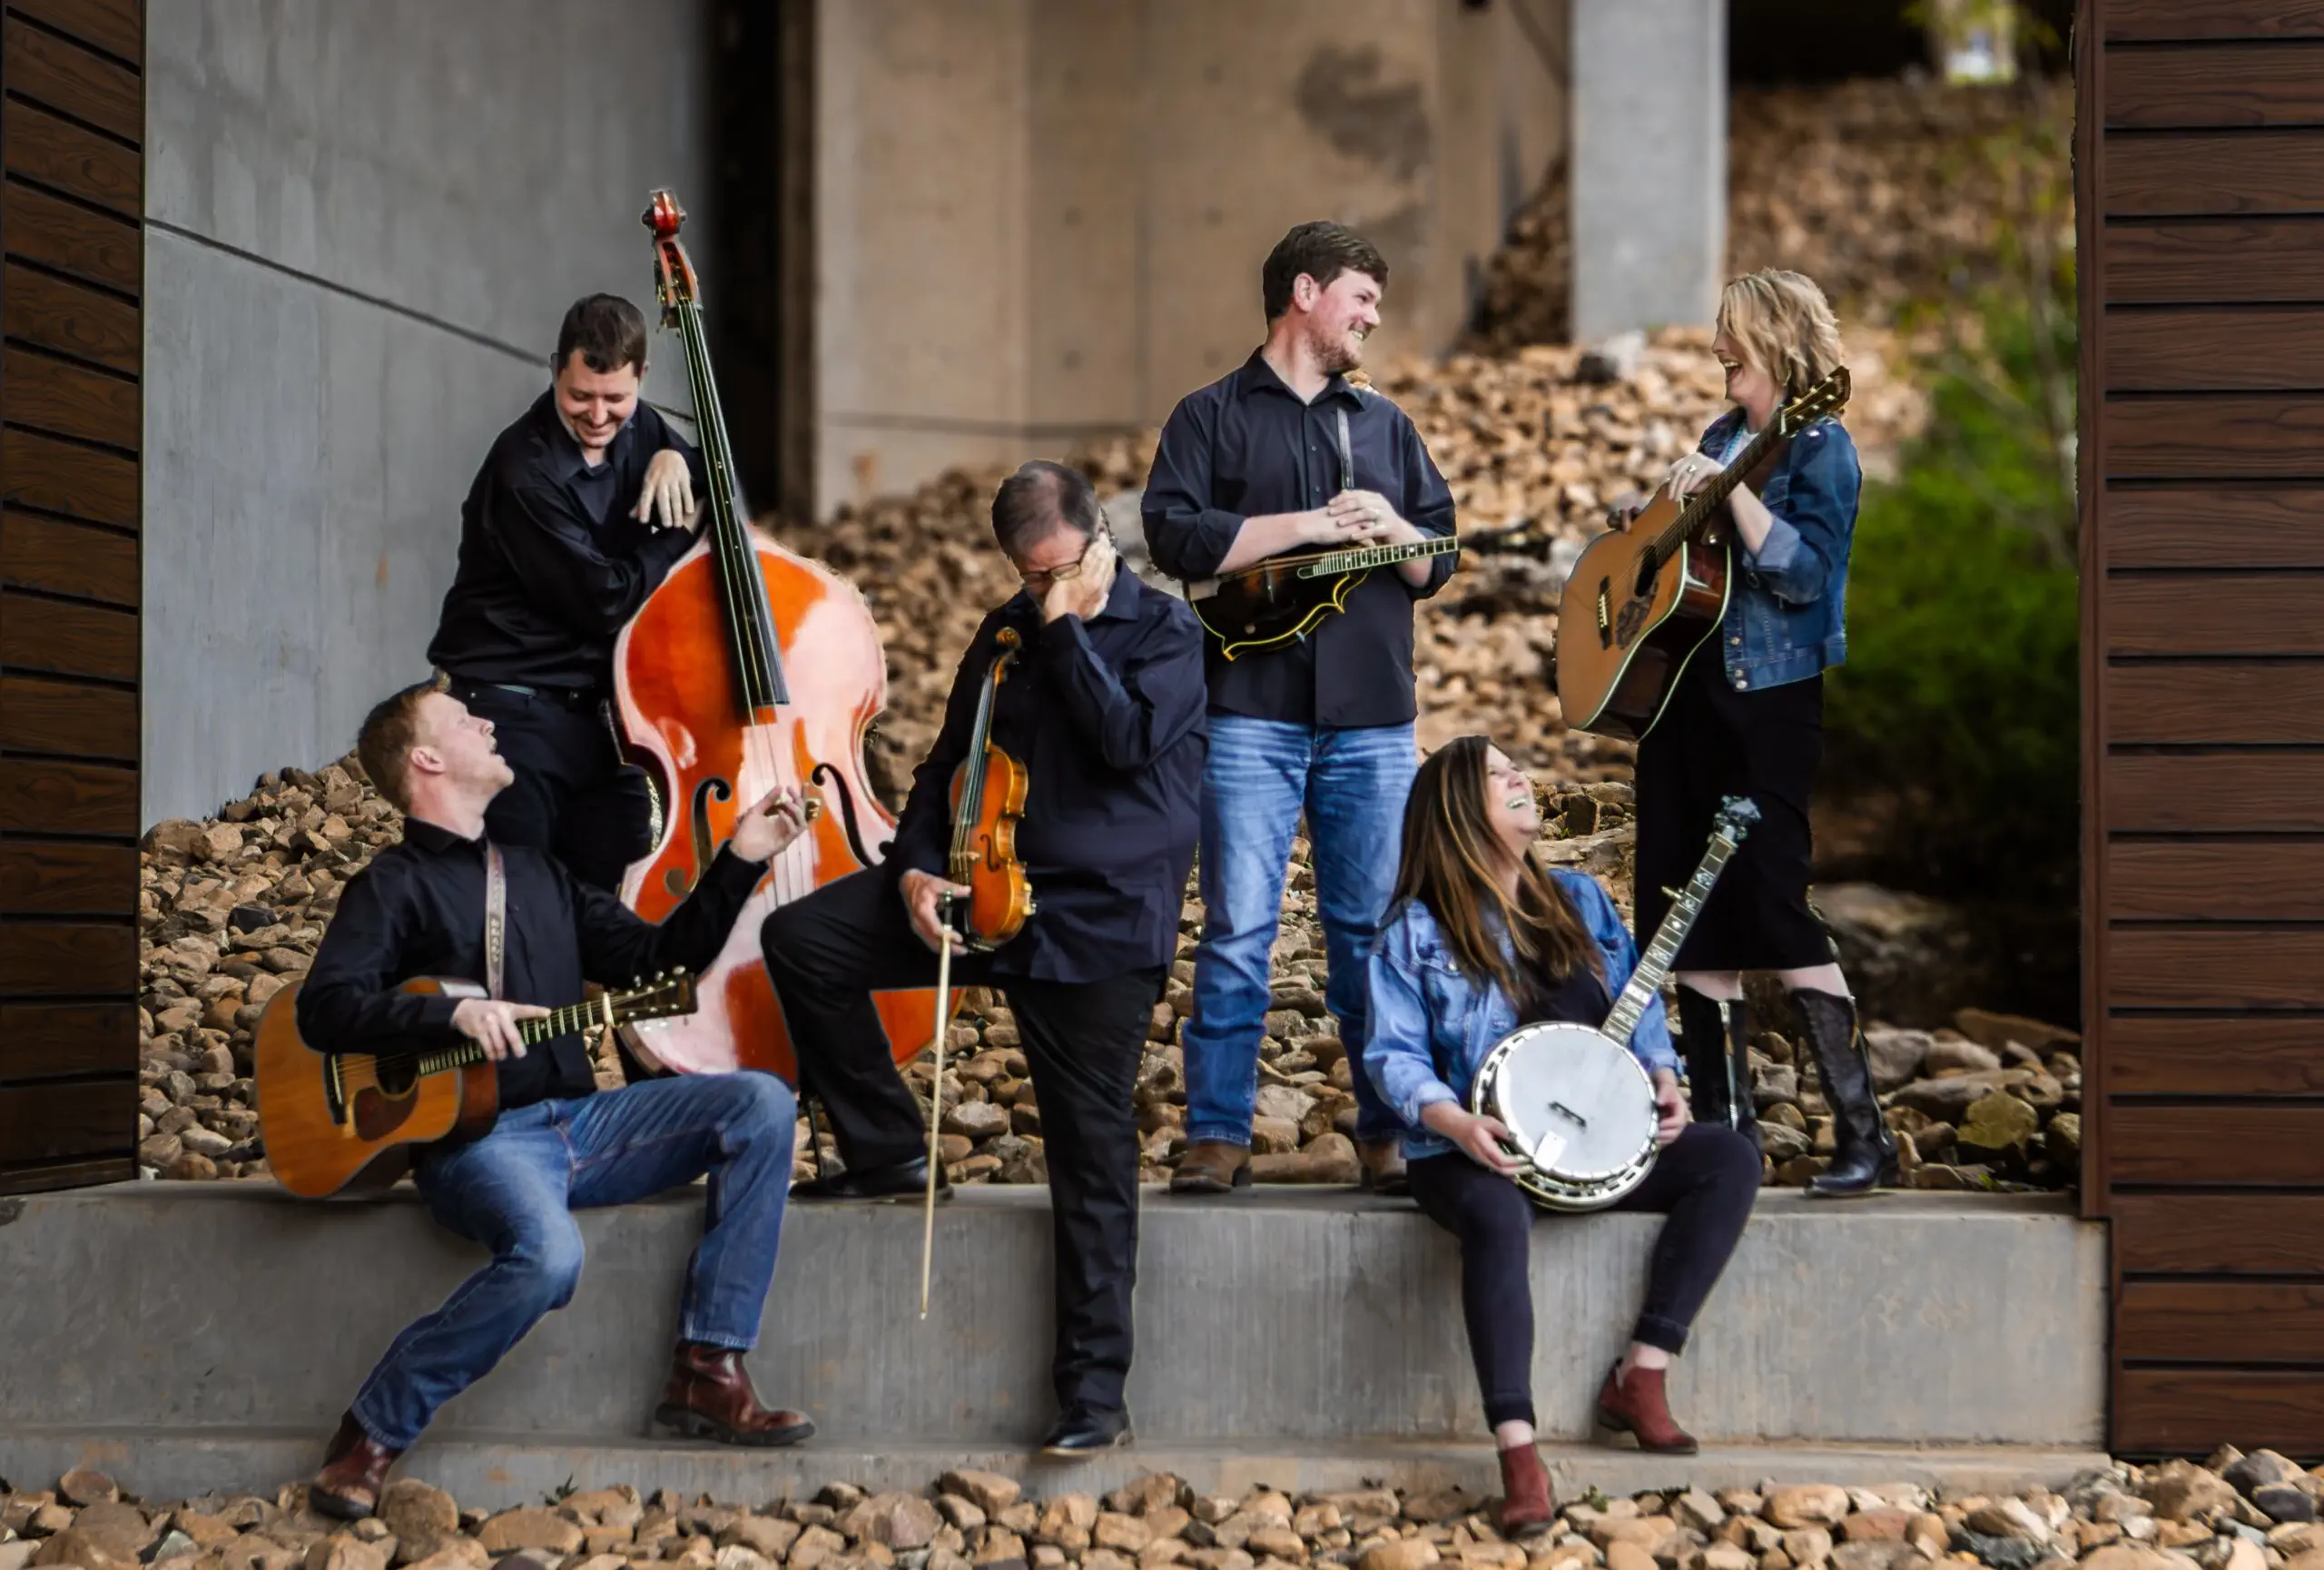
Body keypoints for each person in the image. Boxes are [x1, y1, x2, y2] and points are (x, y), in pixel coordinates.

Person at [761, 460, 1206, 1459]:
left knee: (1090, 1159)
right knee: (803, 941)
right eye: (1030, 577)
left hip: (1095, 928)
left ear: (1101, 539)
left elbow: (1125, 742)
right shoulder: (1003, 634)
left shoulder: (1167, 635)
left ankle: (1094, 1396)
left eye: (1061, 571)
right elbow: (943, 767)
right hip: (979, 890)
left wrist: (1067, 630)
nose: (1044, 592)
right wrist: (916, 869)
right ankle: (887, 1148)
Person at [297, 677, 816, 1519]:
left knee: (759, 1102)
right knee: (549, 1257)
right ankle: (373, 1430)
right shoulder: (391, 886)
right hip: (478, 1143)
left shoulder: (539, 873)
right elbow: (323, 1009)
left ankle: (707, 1366)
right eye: (463, 718)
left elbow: (657, 959)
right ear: (425, 759)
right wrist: (448, 1014)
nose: (486, 721)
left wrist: (741, 859)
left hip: (584, 1123)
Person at [1366, 736, 1760, 1531]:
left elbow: (1636, 1006)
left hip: (1596, 1142)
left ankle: (1642, 1372)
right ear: (1457, 810)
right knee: (1496, 1214)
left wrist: (1662, 1078)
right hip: (1472, 1151)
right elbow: (1392, 1056)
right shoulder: (1417, 928)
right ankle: (1519, 1452)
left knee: (1729, 1158)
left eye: (1516, 765)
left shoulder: (1579, 897)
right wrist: (1455, 1121)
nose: (1520, 775)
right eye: (1496, 773)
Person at [1144, 221, 1457, 1198]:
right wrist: (1308, 526)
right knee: (1240, 928)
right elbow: (1174, 536)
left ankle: (1388, 1129)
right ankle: (1215, 1134)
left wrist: (1395, 524)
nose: (1373, 318)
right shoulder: (1208, 415)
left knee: (1370, 932)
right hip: (1249, 710)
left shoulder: (1387, 426)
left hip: (1373, 721)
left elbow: (1436, 560)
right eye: (1362, 297)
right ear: (1306, 293)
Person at [1622, 268, 1896, 1198]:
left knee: (1774, 905)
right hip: (1683, 702)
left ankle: (1865, 1136)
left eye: (1730, 330)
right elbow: (1691, 569)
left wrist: (1729, 492)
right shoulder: (1719, 436)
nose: (1716, 346)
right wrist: (1645, 529)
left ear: (1775, 337)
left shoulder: (1822, 446)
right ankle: (1726, 1142)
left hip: (1768, 703)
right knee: (1682, 911)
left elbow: (1803, 573)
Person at [425, 293, 707, 893]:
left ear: (642, 378)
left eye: (616, 399)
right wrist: (677, 535)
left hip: (599, 716)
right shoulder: (523, 469)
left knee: (618, 889)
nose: (599, 415)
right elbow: (604, 601)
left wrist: (678, 458)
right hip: (507, 712)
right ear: (556, 370)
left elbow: (720, 477)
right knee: (521, 903)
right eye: (580, 396)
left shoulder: (642, 428)